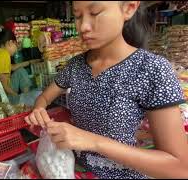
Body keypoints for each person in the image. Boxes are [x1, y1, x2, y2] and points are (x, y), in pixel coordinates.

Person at [25, 1, 188, 179]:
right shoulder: (75, 65)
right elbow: (44, 98)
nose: (83, 26)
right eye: (78, 16)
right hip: (76, 170)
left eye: (95, 13)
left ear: (128, 8)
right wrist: (39, 109)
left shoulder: (152, 68)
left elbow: (179, 168)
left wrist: (93, 141)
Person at [0, 29, 38, 100]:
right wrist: (17, 97)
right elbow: (5, 86)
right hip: (3, 94)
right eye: (16, 45)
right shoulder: (4, 54)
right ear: (10, 42)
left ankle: (26, 97)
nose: (16, 50)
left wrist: (30, 62)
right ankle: (26, 98)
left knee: (19, 70)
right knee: (21, 72)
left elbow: (12, 67)